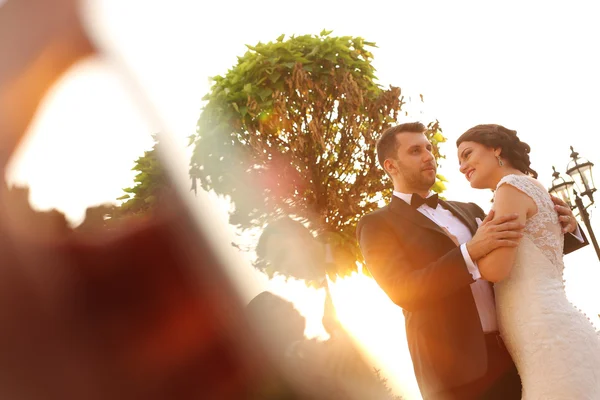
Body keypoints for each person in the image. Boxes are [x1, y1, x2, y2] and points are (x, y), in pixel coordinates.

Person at [356, 122, 586, 400]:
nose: (429, 156)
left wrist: (569, 228)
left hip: (517, 353)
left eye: (429, 148)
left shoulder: (471, 209)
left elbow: (523, 254)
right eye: (416, 151)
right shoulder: (377, 225)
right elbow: (403, 290)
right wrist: (470, 251)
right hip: (456, 375)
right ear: (391, 166)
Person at [456, 124, 600, 399]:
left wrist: (466, 250)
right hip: (552, 332)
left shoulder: (508, 189)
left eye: (467, 154)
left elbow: (497, 270)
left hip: (546, 340)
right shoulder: (531, 186)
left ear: (495, 148)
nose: (462, 167)